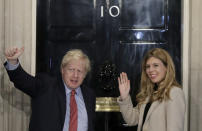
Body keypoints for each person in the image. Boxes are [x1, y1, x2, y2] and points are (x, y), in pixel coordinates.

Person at [4, 47, 95, 131]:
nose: (75, 75)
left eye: (80, 71)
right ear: (62, 70)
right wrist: (13, 62)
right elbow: (24, 81)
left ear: (85, 74)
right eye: (71, 70)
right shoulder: (46, 85)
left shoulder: (89, 95)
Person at [117, 48, 185, 131]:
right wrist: (125, 97)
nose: (150, 70)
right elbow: (132, 120)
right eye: (148, 67)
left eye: (155, 65)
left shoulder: (174, 93)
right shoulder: (150, 93)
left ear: (166, 67)